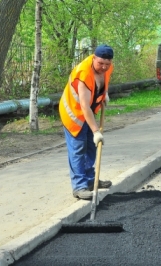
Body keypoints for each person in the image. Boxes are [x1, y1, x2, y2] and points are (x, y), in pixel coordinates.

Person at [59, 44, 114, 199]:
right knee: (78, 149)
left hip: (88, 112)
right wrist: (96, 131)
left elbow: (101, 83)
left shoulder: (108, 67)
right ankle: (79, 186)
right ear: (93, 58)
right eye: (100, 63)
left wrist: (104, 94)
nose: (104, 67)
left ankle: (90, 180)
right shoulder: (83, 72)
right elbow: (84, 106)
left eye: (107, 64)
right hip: (74, 114)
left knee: (91, 147)